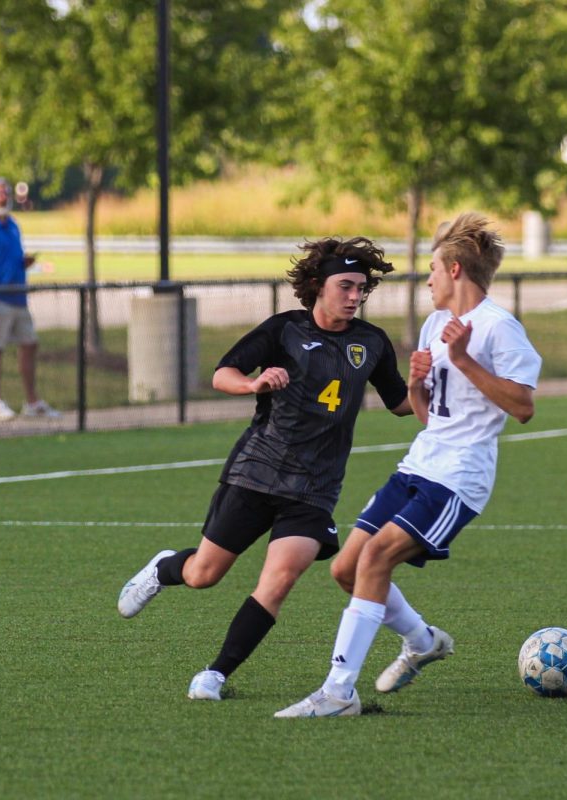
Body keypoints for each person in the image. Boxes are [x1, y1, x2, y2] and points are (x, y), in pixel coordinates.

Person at [117, 236, 413, 702]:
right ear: (317, 285)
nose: (355, 296)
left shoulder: (371, 343)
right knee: (204, 574)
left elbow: (401, 404)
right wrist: (254, 383)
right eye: (346, 286)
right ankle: (165, 567)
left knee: (278, 581)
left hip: (314, 491)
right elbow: (222, 374)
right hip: (257, 473)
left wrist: (443, 378)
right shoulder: (283, 331)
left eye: (362, 288)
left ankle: (215, 673)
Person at [275, 212, 542, 718]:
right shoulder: (435, 324)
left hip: (460, 477)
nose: (428, 280)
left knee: (375, 560)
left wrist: (463, 361)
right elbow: (426, 416)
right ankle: (423, 641)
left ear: (456, 271)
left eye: (433, 270)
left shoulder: (498, 329)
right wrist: (419, 385)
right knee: (345, 569)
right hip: (420, 463)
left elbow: (524, 407)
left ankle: (338, 692)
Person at [0, 176, 60, 422]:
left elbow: (10, 258)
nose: (3, 197)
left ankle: (32, 401)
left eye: (5, 192)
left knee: (29, 344)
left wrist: (24, 263)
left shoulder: (12, 225)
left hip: (18, 296)